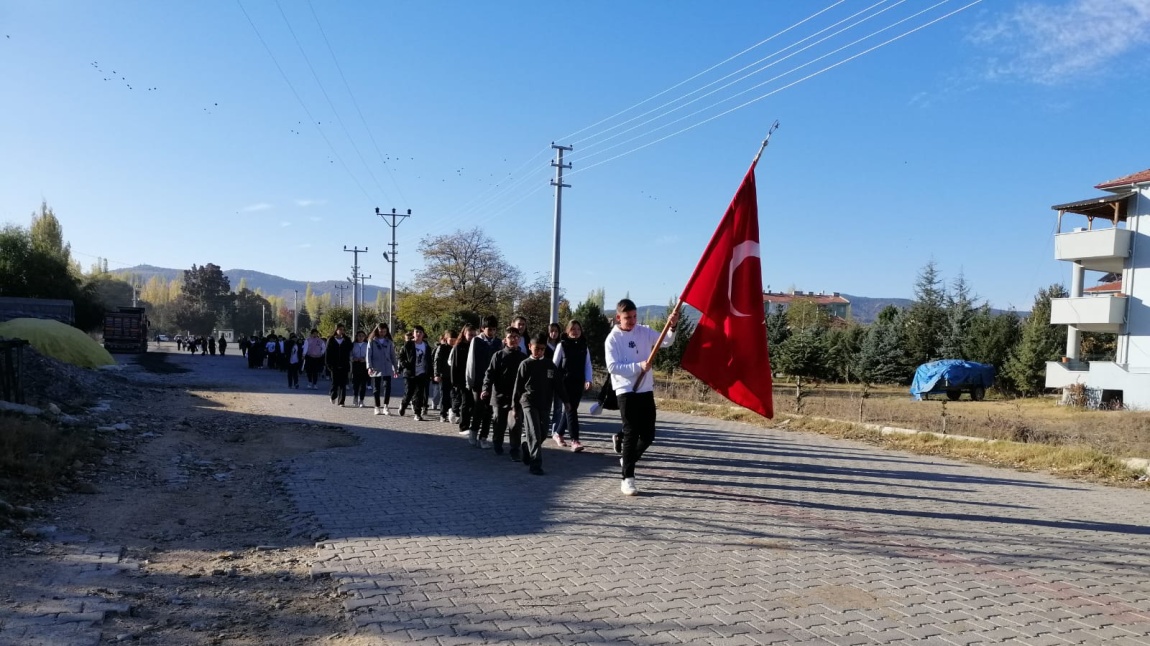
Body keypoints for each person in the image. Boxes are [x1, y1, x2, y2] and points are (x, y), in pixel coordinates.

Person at [606, 298, 678, 496]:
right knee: (631, 433)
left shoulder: (644, 331)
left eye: (635, 316)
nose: (632, 321)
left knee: (648, 435)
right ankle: (627, 478)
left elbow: (666, 341)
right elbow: (612, 367)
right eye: (628, 318)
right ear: (618, 317)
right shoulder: (612, 339)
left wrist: (672, 326)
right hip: (626, 390)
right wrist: (638, 367)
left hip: (645, 389)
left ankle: (627, 458)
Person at [513, 333, 570, 476]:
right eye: (536, 348)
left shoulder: (549, 364)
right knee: (534, 432)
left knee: (543, 433)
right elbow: (518, 387)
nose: (539, 351)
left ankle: (526, 447)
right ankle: (535, 464)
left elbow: (559, 385)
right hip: (528, 402)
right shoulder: (525, 364)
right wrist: (515, 407)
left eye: (542, 349)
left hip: (544, 403)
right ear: (529, 347)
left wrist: (566, 401)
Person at [482, 327, 526, 459]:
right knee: (499, 423)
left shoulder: (523, 358)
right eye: (510, 337)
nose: (513, 340)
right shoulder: (498, 356)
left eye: (516, 337)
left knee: (515, 424)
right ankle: (497, 443)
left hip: (516, 398)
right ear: (505, 340)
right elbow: (489, 374)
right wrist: (486, 388)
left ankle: (514, 449)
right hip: (499, 396)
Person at [553, 319, 593, 452]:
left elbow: (587, 365)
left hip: (578, 382)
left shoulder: (584, 346)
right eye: (573, 329)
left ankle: (558, 433)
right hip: (565, 382)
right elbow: (554, 365)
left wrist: (588, 379)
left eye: (578, 329)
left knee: (570, 409)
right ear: (567, 331)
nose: (575, 332)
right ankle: (575, 440)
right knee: (571, 410)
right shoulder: (562, 345)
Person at [465, 316, 501, 448]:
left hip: (493, 381)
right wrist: (470, 380)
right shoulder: (477, 341)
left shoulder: (498, 342)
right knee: (479, 408)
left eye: (493, 329)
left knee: (489, 410)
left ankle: (484, 437)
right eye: (489, 329)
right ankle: (473, 431)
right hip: (479, 380)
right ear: (482, 329)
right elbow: (471, 361)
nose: (491, 332)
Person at [397, 326, 432, 420]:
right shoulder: (408, 344)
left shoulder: (426, 346)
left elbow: (429, 360)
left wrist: (431, 373)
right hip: (410, 373)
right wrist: (405, 365)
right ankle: (403, 405)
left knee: (419, 394)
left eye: (420, 332)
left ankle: (417, 413)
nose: (418, 334)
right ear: (413, 334)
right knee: (409, 392)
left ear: (423, 334)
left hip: (422, 373)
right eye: (416, 332)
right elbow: (401, 357)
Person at [448, 324, 475, 434]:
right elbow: (454, 366)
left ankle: (468, 422)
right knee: (465, 402)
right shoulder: (459, 347)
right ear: (464, 334)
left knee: (471, 403)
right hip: (462, 379)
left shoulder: (475, 346)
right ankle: (463, 426)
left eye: (474, 335)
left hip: (473, 378)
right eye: (470, 335)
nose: (472, 337)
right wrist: (455, 382)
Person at [367, 323, 397, 415]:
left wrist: (395, 368)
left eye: (384, 331)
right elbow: (368, 355)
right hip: (376, 367)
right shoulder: (372, 341)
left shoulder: (389, 342)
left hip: (387, 367)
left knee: (387, 387)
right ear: (377, 331)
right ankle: (377, 406)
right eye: (381, 331)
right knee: (376, 388)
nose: (382, 333)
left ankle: (386, 406)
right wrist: (369, 367)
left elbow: (393, 355)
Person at [545, 322, 565, 446]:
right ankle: (544, 428)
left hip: (559, 380)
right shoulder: (544, 346)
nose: (554, 333)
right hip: (547, 379)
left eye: (556, 331)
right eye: (551, 331)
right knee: (546, 405)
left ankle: (555, 430)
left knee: (558, 406)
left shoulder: (562, 345)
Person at [325, 324, 353, 406]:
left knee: (343, 384)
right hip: (334, 365)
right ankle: (333, 395)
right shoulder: (331, 340)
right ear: (336, 330)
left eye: (343, 329)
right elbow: (327, 354)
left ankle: (341, 401)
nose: (341, 331)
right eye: (340, 329)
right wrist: (328, 365)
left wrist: (347, 339)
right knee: (335, 383)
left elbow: (350, 348)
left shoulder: (346, 340)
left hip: (344, 365)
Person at [432, 330, 456, 423]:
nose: (453, 342)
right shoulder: (441, 348)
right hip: (444, 375)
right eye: (451, 340)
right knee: (444, 395)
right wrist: (436, 374)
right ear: (446, 339)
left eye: (454, 340)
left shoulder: (456, 348)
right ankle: (443, 414)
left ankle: (452, 411)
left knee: (453, 395)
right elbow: (437, 362)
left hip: (453, 376)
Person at [349, 330, 369, 407]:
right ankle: (355, 398)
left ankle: (361, 400)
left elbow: (369, 355)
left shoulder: (367, 345)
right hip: (356, 365)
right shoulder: (353, 345)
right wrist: (353, 359)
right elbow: (350, 354)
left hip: (364, 365)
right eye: (359, 336)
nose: (361, 337)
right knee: (356, 383)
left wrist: (365, 359)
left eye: (362, 336)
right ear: (356, 337)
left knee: (363, 384)